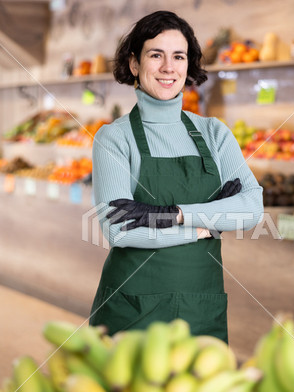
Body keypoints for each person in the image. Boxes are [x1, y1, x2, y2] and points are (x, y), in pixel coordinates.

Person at [89, 10, 263, 343]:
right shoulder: (114, 138)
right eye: (156, 55)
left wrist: (174, 215)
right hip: (133, 308)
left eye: (178, 56)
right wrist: (205, 226)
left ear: (188, 64)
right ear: (135, 64)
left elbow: (252, 208)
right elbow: (118, 230)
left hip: (201, 304)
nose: (169, 67)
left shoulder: (214, 133)